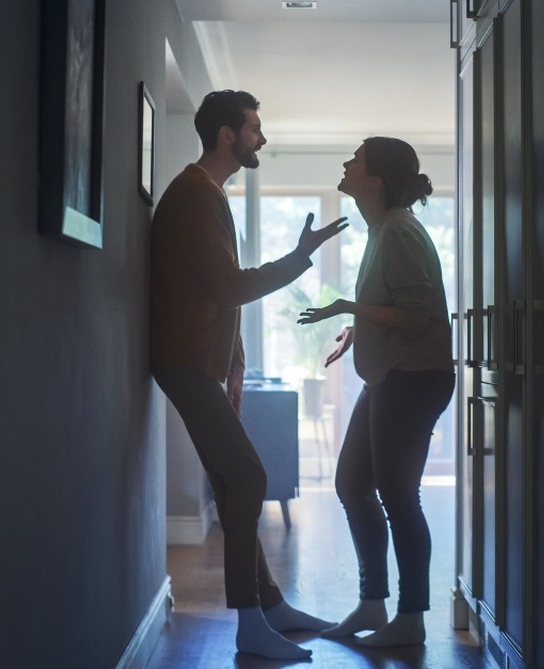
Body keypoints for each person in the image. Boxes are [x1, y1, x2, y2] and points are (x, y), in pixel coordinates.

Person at [149, 89, 347, 660]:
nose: (262, 137)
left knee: (237, 482)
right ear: (227, 135)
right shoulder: (194, 196)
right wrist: (300, 255)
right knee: (251, 478)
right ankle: (251, 627)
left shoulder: (208, 194)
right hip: (183, 363)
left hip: (196, 364)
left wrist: (233, 366)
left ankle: (272, 607)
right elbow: (231, 287)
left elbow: (216, 291)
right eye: (255, 128)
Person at [297, 137, 455, 647]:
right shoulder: (383, 229)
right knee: (352, 484)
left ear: (377, 179)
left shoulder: (399, 231)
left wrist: (348, 308)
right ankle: (372, 604)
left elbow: (414, 318)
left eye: (356, 159)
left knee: (396, 495)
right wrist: (360, 330)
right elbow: (398, 309)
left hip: (414, 378)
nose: (346, 162)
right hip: (393, 375)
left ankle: (410, 619)